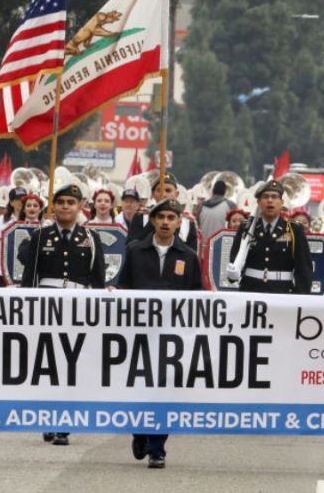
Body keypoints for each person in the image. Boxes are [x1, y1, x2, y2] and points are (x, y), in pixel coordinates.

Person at [117, 198, 202, 469]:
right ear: (153, 220)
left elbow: (195, 294)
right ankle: (140, 431)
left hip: (171, 335)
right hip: (140, 331)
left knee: (165, 391)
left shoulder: (187, 255)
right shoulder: (135, 250)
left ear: (179, 222)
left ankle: (158, 447)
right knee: (140, 388)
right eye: (161, 217)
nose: (165, 222)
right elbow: (124, 287)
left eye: (171, 217)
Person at [20, 183, 106, 446]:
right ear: (53, 207)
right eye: (61, 202)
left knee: (71, 364)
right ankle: (48, 417)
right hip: (47, 303)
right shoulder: (41, 236)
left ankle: (64, 423)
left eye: (71, 202)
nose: (66, 206)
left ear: (81, 207)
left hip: (78, 306)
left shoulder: (91, 238)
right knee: (48, 364)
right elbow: (28, 277)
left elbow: (98, 280)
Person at [226, 180, 312, 294]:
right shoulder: (247, 228)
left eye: (274, 197)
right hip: (251, 291)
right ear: (258, 202)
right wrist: (232, 274)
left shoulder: (294, 229)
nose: (270, 200)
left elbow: (304, 269)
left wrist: (301, 298)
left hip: (282, 292)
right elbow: (236, 259)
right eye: (265, 197)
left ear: (281, 202)